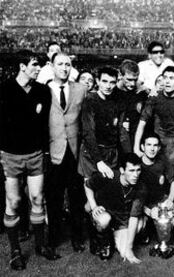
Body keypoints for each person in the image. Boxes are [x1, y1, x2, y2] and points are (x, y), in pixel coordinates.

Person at [0, 50, 57, 271]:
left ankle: (41, 245)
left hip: (35, 155)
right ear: (22, 66)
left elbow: (44, 125)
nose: (38, 68)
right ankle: (15, 250)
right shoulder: (4, 89)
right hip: (10, 155)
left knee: (36, 197)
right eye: (34, 64)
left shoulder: (42, 91)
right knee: (13, 201)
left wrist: (44, 151)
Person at [45, 53, 87, 256]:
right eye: (60, 64)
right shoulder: (44, 90)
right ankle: (52, 239)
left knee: (76, 198)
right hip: (53, 152)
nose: (64, 68)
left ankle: (78, 238)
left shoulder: (81, 89)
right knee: (53, 198)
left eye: (68, 64)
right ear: (51, 66)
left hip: (74, 151)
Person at [84, 153, 145, 263]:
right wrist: (94, 206)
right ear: (122, 170)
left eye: (138, 170)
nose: (135, 175)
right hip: (105, 213)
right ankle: (102, 240)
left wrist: (129, 249)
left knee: (126, 249)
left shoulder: (141, 188)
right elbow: (88, 185)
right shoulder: (109, 176)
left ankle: (113, 237)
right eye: (131, 170)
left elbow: (133, 218)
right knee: (103, 220)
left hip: (122, 220)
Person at [78, 66, 130, 180]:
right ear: (97, 81)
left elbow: (121, 132)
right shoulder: (90, 101)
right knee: (91, 189)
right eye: (104, 81)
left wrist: (128, 157)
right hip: (92, 153)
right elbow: (88, 133)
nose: (108, 86)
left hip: (111, 153)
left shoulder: (118, 101)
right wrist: (99, 161)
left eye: (112, 82)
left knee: (108, 192)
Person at [139, 133, 174, 241]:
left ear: (159, 148)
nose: (152, 149)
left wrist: (170, 199)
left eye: (155, 145)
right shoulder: (137, 164)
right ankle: (148, 228)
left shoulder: (163, 160)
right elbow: (133, 194)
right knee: (139, 228)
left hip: (160, 201)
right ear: (142, 147)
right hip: (143, 204)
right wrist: (147, 210)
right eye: (149, 145)